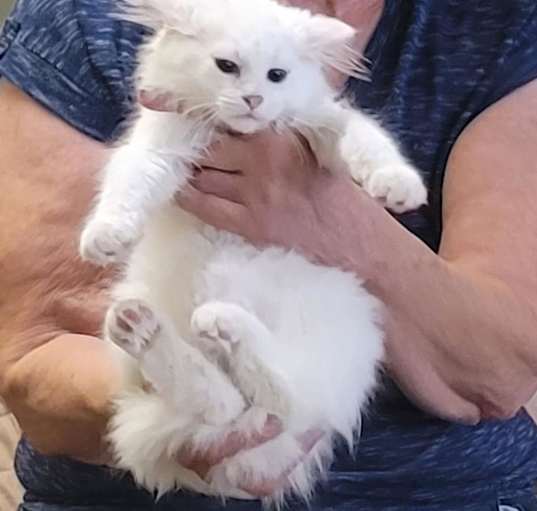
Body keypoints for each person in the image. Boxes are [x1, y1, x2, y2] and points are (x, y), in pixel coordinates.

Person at [0, 0, 537, 509]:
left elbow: (498, 373)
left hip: (443, 490)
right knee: (164, 324)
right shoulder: (86, 17)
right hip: (129, 479)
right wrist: (179, 413)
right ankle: (194, 383)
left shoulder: (499, 20)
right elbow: (31, 359)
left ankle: (228, 383)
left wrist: (327, 222)